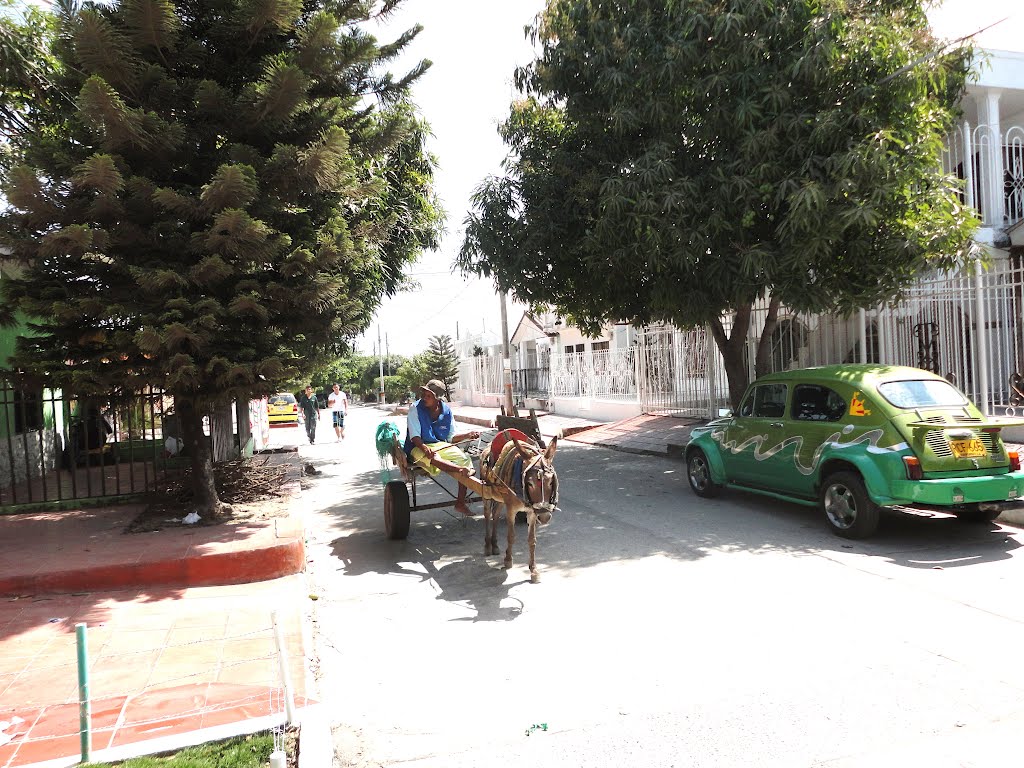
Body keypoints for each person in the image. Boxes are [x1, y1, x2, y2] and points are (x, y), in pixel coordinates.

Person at [404, 379, 480, 516]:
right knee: (435, 457)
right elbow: (414, 436)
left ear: (437, 399)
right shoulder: (415, 408)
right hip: (417, 446)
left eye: (429, 396)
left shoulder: (446, 411)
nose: (424, 398)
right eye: (424, 394)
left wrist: (467, 435)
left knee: (464, 459)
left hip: (439, 444)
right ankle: (458, 470)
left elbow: (451, 437)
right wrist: (425, 449)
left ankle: (460, 503)